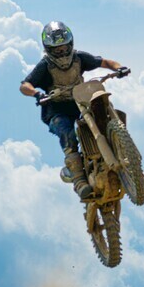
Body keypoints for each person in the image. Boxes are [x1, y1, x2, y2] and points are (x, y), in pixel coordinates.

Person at [20, 21, 124, 201]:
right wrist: (36, 94)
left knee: (104, 109)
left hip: (81, 102)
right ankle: (79, 180)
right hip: (56, 109)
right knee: (67, 133)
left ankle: (121, 145)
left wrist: (119, 68)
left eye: (64, 47)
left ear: (71, 44)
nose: (62, 52)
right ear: (49, 50)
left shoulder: (79, 58)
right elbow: (25, 85)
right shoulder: (45, 66)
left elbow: (104, 62)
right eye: (57, 49)